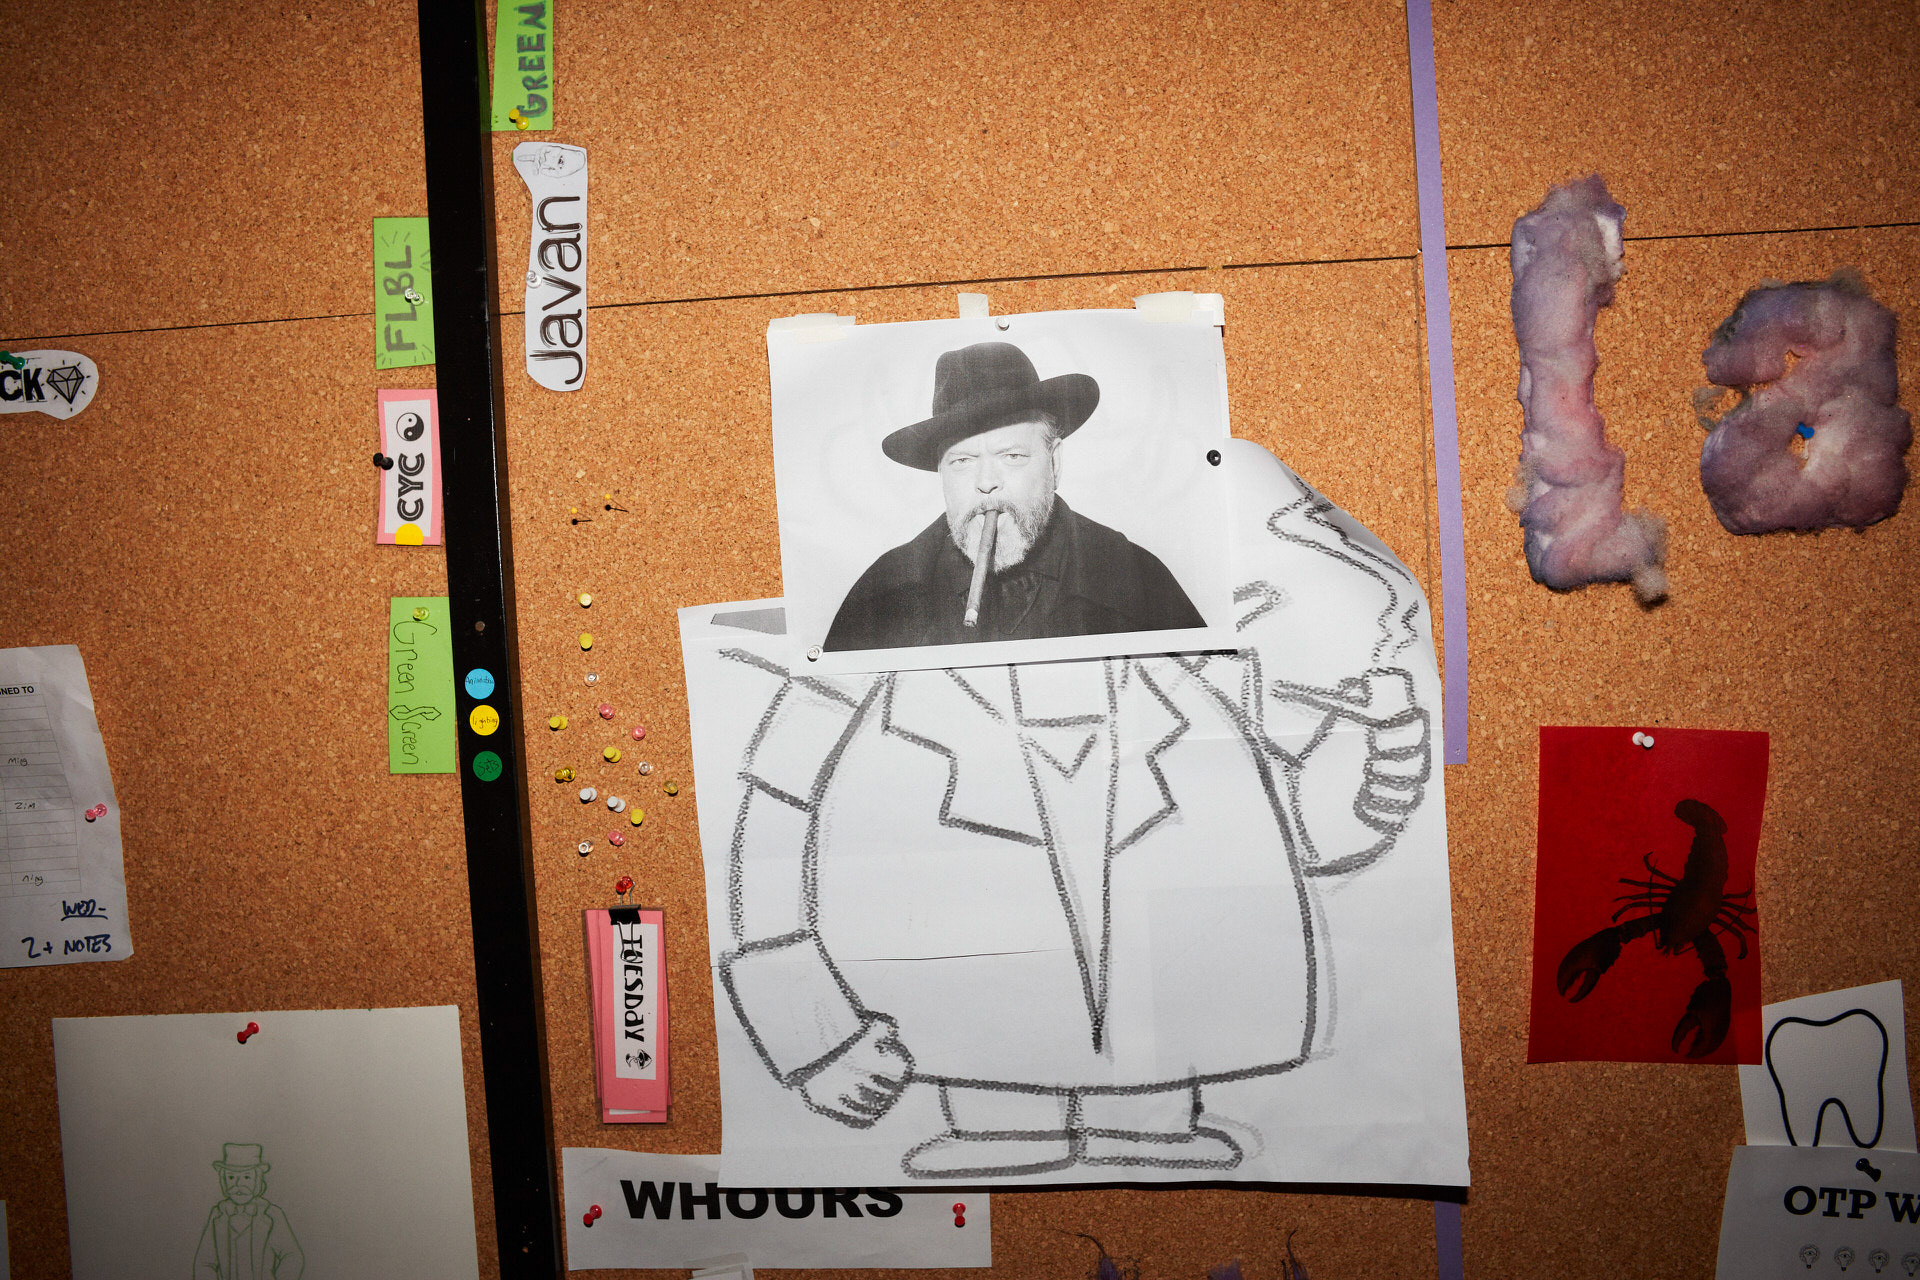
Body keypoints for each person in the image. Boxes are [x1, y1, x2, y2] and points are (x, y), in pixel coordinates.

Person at [823, 341, 1205, 650]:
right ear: (941, 473)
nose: (986, 482)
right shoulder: (884, 598)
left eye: (1012, 456)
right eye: (962, 461)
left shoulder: (1135, 582)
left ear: (1054, 463)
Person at [193, 1143, 303, 1280]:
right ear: (223, 1180)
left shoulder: (272, 1214)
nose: (238, 1185)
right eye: (231, 1177)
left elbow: (292, 1256)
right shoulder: (218, 1214)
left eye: (246, 1177)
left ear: (257, 1179)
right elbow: (204, 1263)